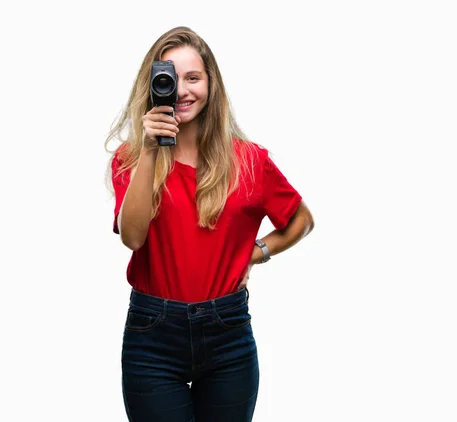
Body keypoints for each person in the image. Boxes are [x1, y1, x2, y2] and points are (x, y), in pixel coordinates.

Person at [104, 26, 314, 422]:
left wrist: (257, 252)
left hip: (228, 334)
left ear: (211, 83)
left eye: (193, 77)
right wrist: (151, 149)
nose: (182, 90)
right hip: (153, 336)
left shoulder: (249, 161)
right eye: (169, 77)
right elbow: (132, 238)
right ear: (151, 86)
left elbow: (301, 220)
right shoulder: (131, 158)